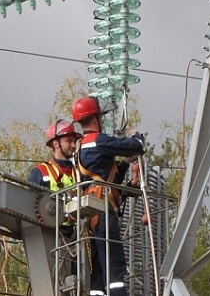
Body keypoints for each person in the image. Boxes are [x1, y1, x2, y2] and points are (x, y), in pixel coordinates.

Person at [71, 96, 145, 296]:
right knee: (115, 268)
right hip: (103, 211)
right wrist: (135, 136)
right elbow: (137, 145)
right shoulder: (98, 140)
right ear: (96, 118)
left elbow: (105, 178)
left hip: (91, 215)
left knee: (99, 271)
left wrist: (123, 165)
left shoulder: (79, 147)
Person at [28, 120, 82, 282]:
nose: (73, 145)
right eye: (69, 141)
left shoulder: (80, 173)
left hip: (78, 236)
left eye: (75, 141)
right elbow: (29, 205)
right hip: (52, 236)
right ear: (55, 143)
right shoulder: (41, 172)